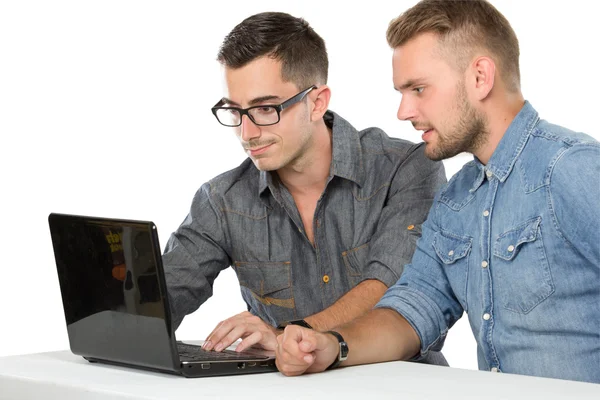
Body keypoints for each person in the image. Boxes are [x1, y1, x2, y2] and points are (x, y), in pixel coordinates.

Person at [275, 0, 600, 383]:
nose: (403, 111)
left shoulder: (572, 167)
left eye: (418, 89)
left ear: (480, 77)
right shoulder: (456, 199)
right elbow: (413, 309)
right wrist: (332, 345)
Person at [162, 12, 447, 364]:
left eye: (266, 109)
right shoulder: (222, 201)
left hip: (400, 389)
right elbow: (161, 298)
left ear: (317, 102)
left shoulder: (406, 169)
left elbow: (394, 290)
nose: (247, 134)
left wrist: (286, 336)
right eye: (234, 110)